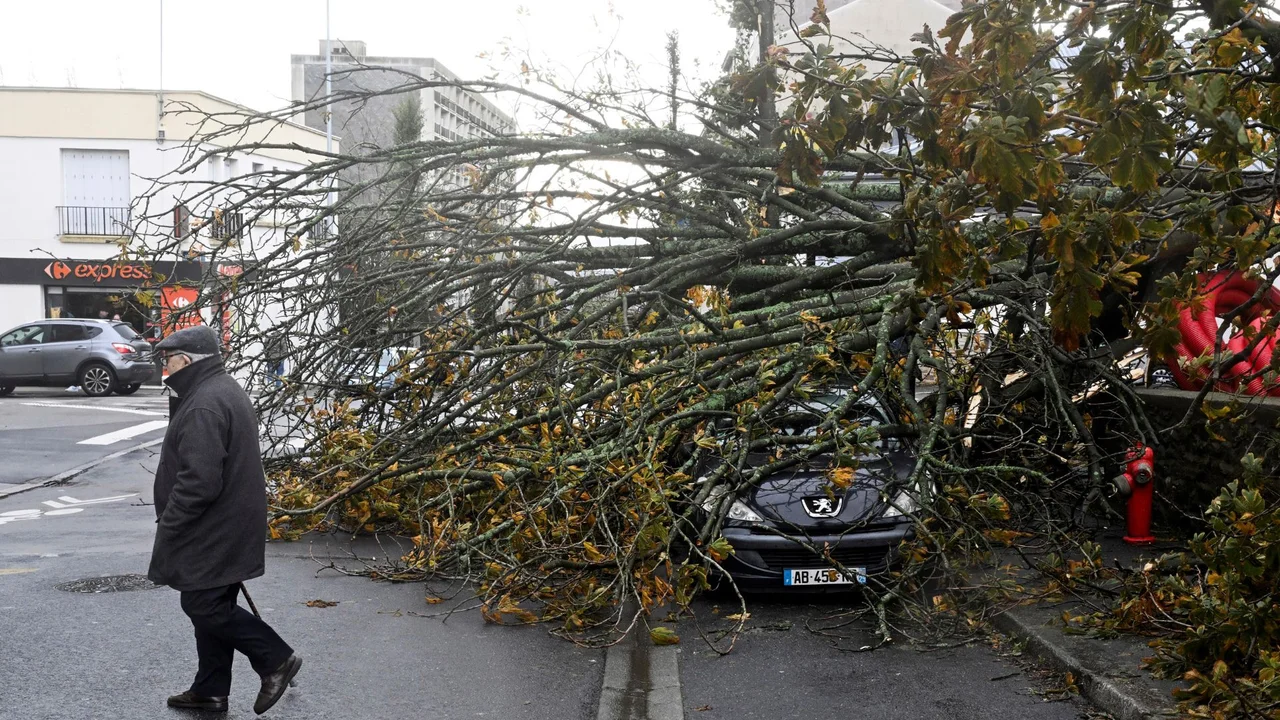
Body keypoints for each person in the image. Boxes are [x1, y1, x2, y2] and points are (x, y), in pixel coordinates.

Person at [149, 326, 302, 714]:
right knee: (211, 598)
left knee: (203, 604)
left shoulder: (205, 402)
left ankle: (275, 658)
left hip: (214, 524)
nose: (165, 367)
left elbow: (199, 482)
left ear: (186, 361)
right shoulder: (217, 388)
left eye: (169, 360)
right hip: (229, 519)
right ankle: (210, 688)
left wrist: (170, 522)